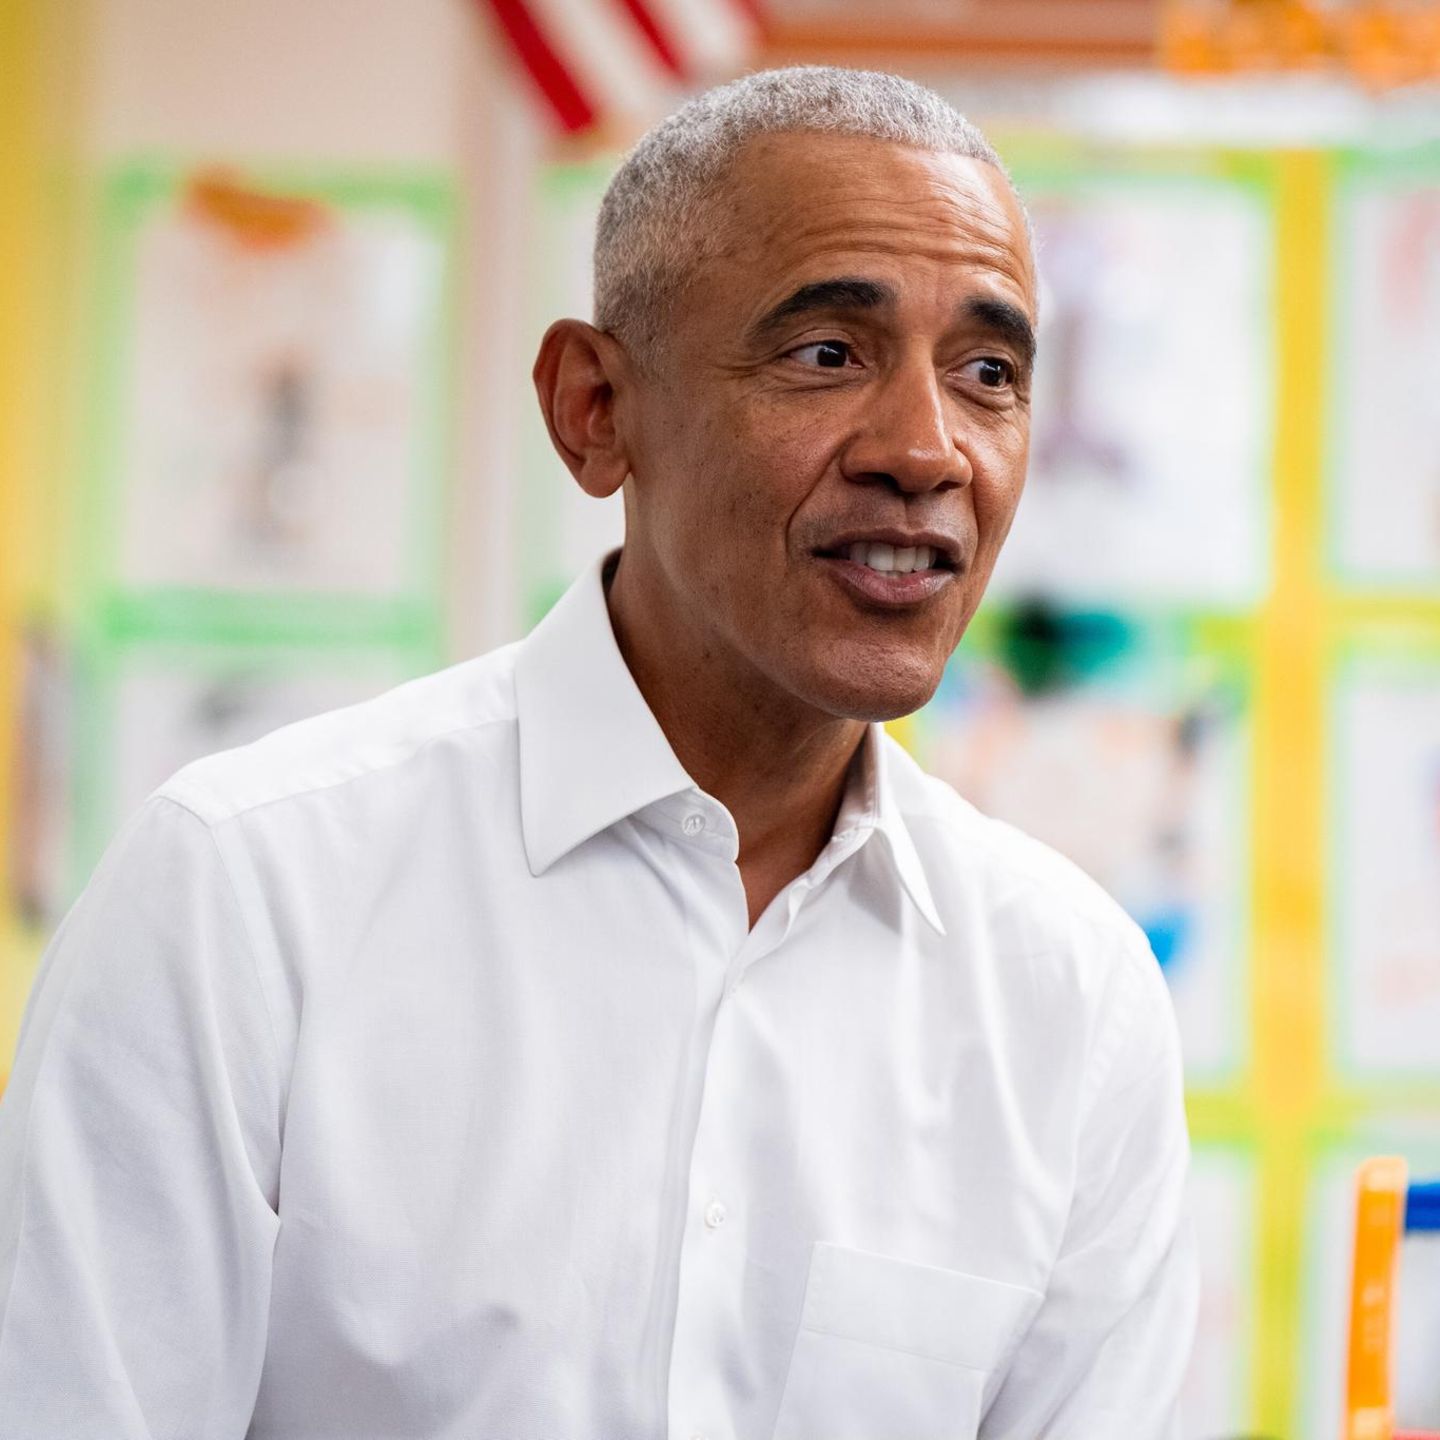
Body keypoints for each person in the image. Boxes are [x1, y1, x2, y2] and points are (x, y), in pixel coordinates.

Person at [0, 66, 1196, 1439]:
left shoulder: (1072, 1000)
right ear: (594, 411)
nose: (928, 451)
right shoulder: (244, 894)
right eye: (827, 354)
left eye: (989, 373)